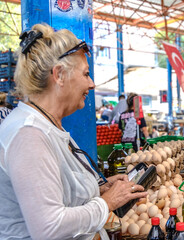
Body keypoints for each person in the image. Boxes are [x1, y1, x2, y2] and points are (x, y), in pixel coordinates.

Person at [0, 24, 147, 239]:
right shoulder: (28, 134)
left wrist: (100, 190)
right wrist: (107, 202)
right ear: (59, 75)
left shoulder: (46, 125)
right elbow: (48, 227)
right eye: (86, 74)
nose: (92, 83)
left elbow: (57, 195)